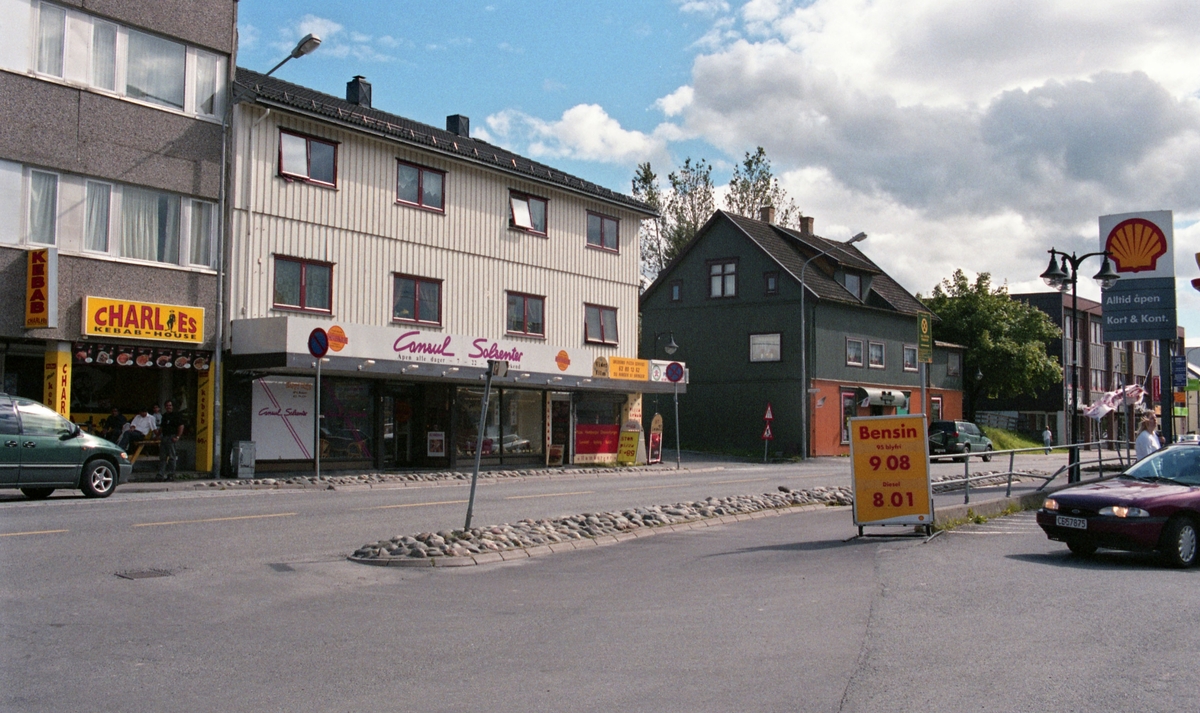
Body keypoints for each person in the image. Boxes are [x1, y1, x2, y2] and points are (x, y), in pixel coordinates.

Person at [157, 400, 185, 481]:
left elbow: (181, 426)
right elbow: (162, 427)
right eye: (167, 406)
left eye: (170, 405)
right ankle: (160, 475)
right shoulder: (164, 416)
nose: (168, 407)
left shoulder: (176, 415)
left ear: (172, 406)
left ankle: (171, 475)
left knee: (172, 457)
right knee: (162, 457)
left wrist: (177, 437)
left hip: (171, 437)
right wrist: (158, 435)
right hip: (164, 437)